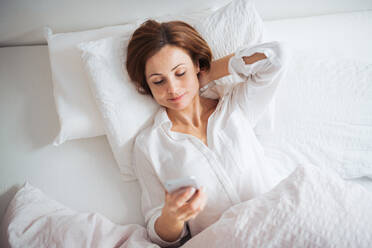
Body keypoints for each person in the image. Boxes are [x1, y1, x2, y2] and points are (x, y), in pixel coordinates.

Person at [126, 19, 288, 247]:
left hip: (280, 226)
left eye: (180, 72)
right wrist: (172, 216)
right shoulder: (149, 145)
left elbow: (276, 56)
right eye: (158, 81)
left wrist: (207, 74)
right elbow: (160, 237)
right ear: (147, 85)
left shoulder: (234, 106)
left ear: (196, 65)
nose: (172, 88)